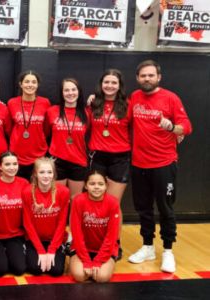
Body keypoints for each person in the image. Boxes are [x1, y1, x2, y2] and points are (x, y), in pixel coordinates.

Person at [127, 60, 192, 273]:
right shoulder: (134, 97)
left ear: (159, 77)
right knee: (143, 208)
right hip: (139, 164)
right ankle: (147, 247)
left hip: (164, 163)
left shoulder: (171, 98)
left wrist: (173, 127)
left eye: (150, 75)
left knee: (165, 208)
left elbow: (187, 127)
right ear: (137, 78)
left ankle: (167, 250)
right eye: (143, 76)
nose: (147, 79)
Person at [89, 69, 131, 259]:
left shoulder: (128, 105)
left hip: (120, 158)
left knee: (113, 204)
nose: (110, 86)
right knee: (96, 202)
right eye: (107, 82)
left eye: (114, 82)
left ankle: (115, 242)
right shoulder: (93, 104)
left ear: (119, 86)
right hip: (98, 157)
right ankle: (96, 241)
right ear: (101, 84)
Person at [0, 152, 43, 276]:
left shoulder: (24, 183)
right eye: (7, 164)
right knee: (0, 270)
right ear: (0, 166)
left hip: (15, 235)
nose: (12, 167)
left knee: (19, 269)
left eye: (15, 164)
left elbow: (30, 207)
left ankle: (10, 252)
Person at [69, 170, 120, 283]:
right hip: (82, 248)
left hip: (104, 249)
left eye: (100, 184)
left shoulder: (113, 203)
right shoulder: (79, 201)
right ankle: (81, 262)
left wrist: (98, 261)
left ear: (106, 186)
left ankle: (104, 263)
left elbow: (111, 236)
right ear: (86, 185)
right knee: (79, 276)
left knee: (102, 278)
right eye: (92, 184)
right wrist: (86, 260)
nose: (96, 187)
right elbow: (76, 233)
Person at [23, 157, 70, 277]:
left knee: (56, 271)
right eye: (42, 172)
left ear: (54, 174)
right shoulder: (27, 192)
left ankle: (64, 247)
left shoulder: (63, 192)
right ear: (35, 174)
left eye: (49, 172)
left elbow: (61, 224)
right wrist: (40, 250)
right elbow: (28, 224)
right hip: (34, 239)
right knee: (36, 269)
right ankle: (26, 249)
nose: (46, 176)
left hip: (54, 239)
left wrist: (52, 250)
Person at [45, 78, 89, 200]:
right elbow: (46, 133)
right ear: (62, 93)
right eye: (66, 90)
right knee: (58, 199)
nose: (70, 93)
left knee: (76, 199)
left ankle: (72, 220)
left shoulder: (87, 113)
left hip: (79, 161)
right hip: (58, 161)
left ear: (79, 91)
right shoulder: (52, 111)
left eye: (73, 89)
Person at [8, 71, 51, 181]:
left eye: (33, 82)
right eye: (26, 81)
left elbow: (46, 128)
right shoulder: (12, 103)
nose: (30, 85)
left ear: (37, 85)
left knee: (36, 190)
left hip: (39, 155)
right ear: (20, 84)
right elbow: (9, 128)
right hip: (17, 156)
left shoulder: (45, 102)